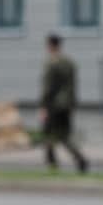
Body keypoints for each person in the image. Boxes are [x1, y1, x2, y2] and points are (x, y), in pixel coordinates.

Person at [39, 33, 89, 174]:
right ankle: (80, 159)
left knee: (48, 134)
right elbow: (73, 85)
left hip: (54, 104)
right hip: (66, 104)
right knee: (64, 135)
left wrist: (43, 106)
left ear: (50, 45)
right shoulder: (69, 62)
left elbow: (48, 87)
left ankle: (52, 163)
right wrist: (72, 104)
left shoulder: (51, 63)